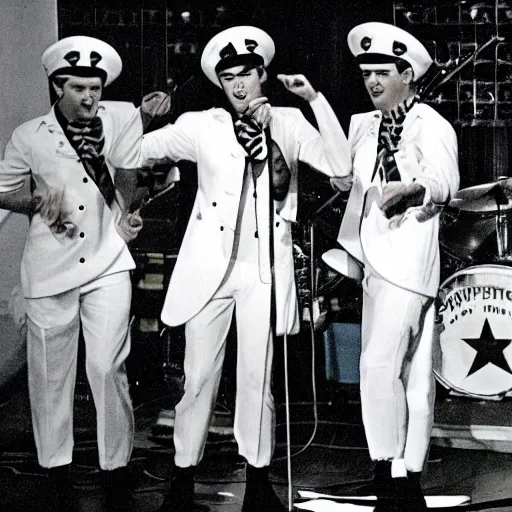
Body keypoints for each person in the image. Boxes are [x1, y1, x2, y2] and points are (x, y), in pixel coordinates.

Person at [109, 25, 351, 512]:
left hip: (263, 269)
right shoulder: (203, 125)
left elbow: (342, 170)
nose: (239, 85)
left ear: (264, 74)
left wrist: (316, 100)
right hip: (210, 271)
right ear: (220, 83)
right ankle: (182, 474)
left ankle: (258, 477)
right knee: (198, 376)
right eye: (229, 78)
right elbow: (125, 155)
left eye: (247, 74)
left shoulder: (287, 120)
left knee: (257, 377)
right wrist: (140, 115)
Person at [0, 35, 161, 512]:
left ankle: (116, 467)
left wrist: (129, 212)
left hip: (108, 259)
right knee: (50, 375)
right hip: (50, 268)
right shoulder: (30, 135)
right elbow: (3, 191)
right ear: (57, 87)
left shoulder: (122, 117)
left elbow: (128, 171)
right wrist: (33, 202)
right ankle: (56, 470)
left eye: (96, 87)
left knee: (107, 365)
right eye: (78, 88)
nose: (90, 97)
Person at [323, 22, 460, 510]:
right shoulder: (364, 125)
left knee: (382, 365)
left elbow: (445, 182)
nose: (373, 82)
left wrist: (414, 189)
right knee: (404, 374)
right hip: (374, 264)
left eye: (383, 72)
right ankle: (402, 480)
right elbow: (342, 174)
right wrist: (316, 100)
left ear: (408, 74)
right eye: (366, 74)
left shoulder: (431, 125)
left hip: (411, 262)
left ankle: (392, 474)